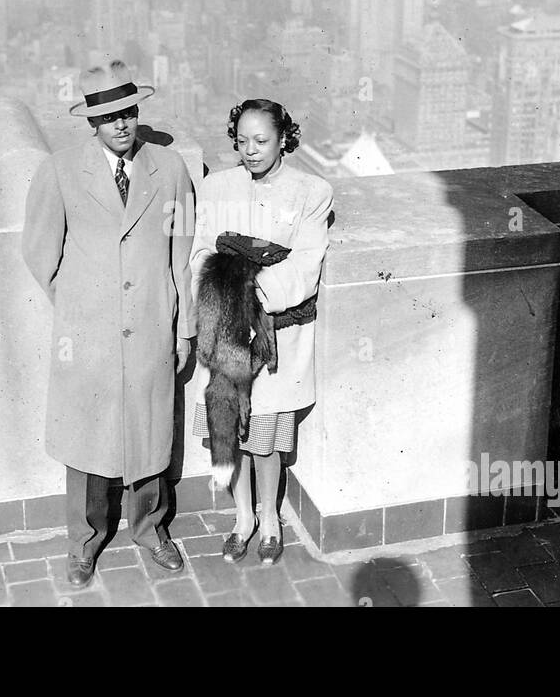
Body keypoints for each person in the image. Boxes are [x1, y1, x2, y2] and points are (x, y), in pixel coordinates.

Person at [21, 59, 196, 588]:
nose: (122, 125)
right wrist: (80, 306)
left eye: (129, 112)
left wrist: (181, 323)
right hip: (89, 335)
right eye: (109, 117)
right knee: (88, 439)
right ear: (90, 123)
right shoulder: (57, 170)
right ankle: (84, 542)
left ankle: (150, 529)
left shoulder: (172, 168)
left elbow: (181, 253)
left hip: (150, 328)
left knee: (148, 432)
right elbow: (39, 253)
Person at [190, 99, 333, 565]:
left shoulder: (310, 192)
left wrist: (249, 293)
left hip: (275, 334)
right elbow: (200, 254)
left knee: (266, 436)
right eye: (242, 140)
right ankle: (242, 518)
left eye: (262, 141)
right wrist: (225, 297)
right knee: (230, 428)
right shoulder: (217, 188)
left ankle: (269, 518)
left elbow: (305, 263)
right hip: (226, 330)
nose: (250, 151)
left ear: (283, 139)